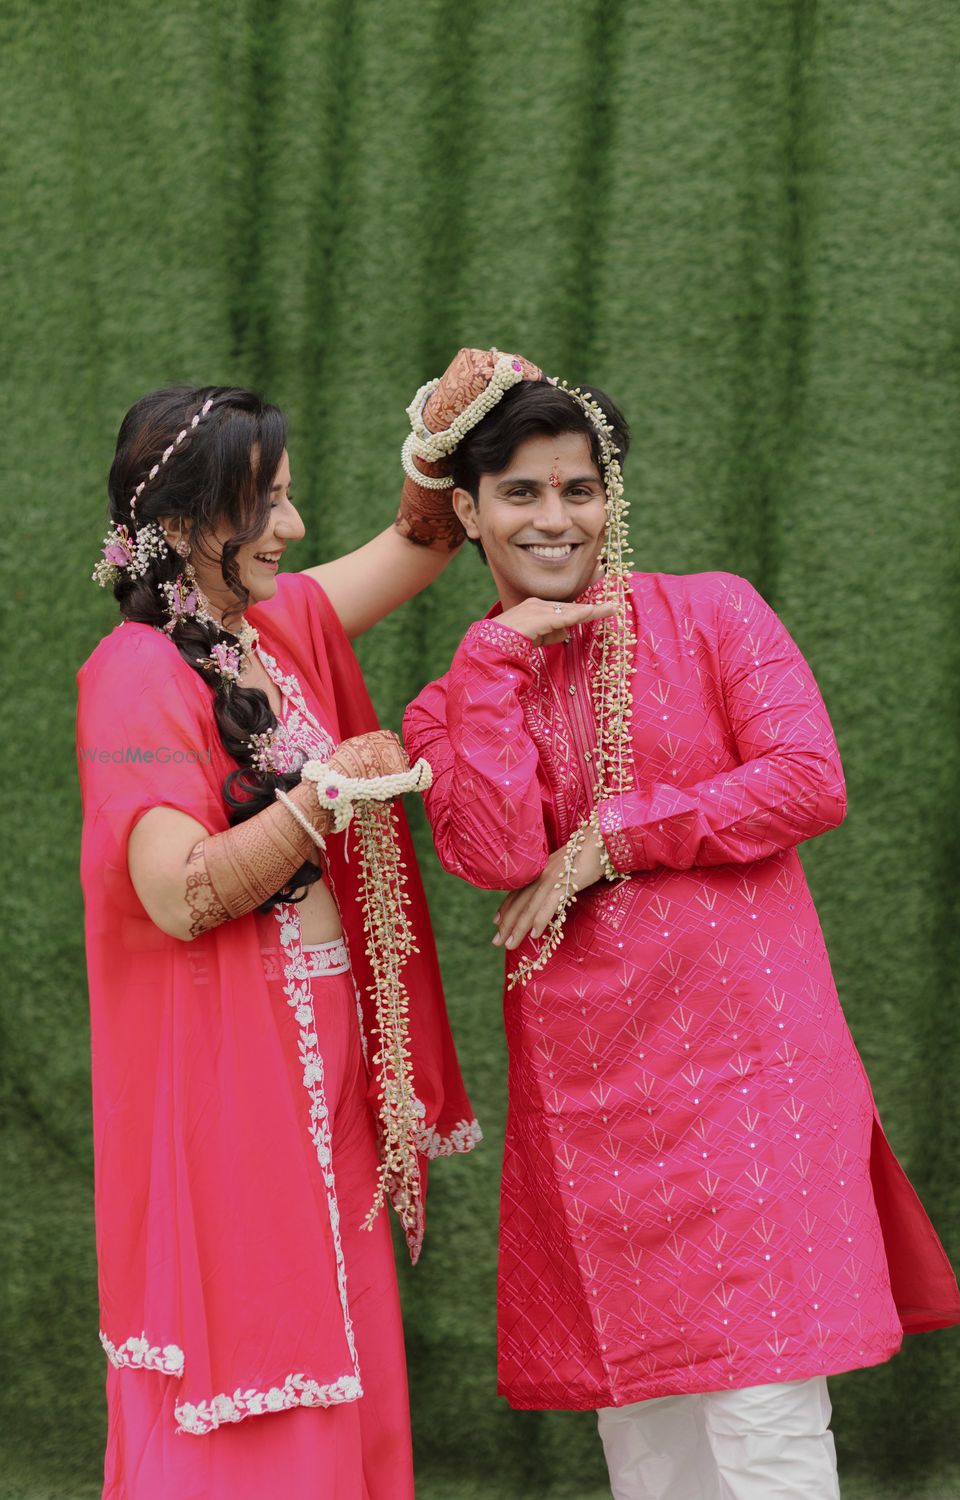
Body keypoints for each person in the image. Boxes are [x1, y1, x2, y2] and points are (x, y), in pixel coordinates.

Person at [401, 348, 960, 1500]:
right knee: (648, 1423)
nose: (555, 518)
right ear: (467, 511)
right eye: (521, 492)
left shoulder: (712, 613)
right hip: (593, 1100)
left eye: (580, 489)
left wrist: (612, 836)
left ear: (611, 496)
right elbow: (494, 854)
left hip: (752, 1072)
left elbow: (806, 779)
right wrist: (497, 658)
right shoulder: (451, 700)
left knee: (766, 1406)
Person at [77, 382, 481, 1499]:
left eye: (291, 499)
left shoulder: (281, 624)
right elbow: (179, 894)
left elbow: (421, 538)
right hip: (232, 1067)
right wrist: (321, 798)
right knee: (256, 1325)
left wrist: (454, 424)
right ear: (182, 523)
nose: (293, 530)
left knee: (340, 1311)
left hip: (333, 1044)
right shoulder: (135, 676)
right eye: (268, 507)